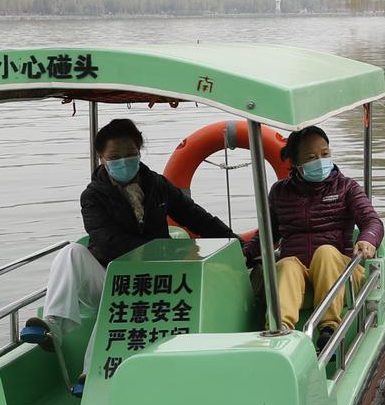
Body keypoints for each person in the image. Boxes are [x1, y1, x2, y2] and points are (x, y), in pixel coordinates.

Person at [33, 117, 242, 388]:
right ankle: (53, 326)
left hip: (154, 282)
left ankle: (90, 374)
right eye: (114, 157)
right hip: (107, 276)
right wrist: (155, 251)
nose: (123, 161)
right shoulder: (93, 196)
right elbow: (106, 241)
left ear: (140, 151)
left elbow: (195, 216)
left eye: (130, 154)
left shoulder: (157, 185)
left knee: (119, 296)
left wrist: (238, 243)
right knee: (70, 253)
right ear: (101, 158)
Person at [269, 125, 384, 341]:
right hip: (300, 280)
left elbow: (372, 221)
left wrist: (367, 239)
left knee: (325, 252)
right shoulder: (279, 192)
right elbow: (267, 234)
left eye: (324, 154)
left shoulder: (346, 187)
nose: (320, 161)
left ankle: (329, 329)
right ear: (296, 163)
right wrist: (244, 254)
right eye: (311, 157)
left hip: (342, 275)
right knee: (286, 265)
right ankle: (278, 332)